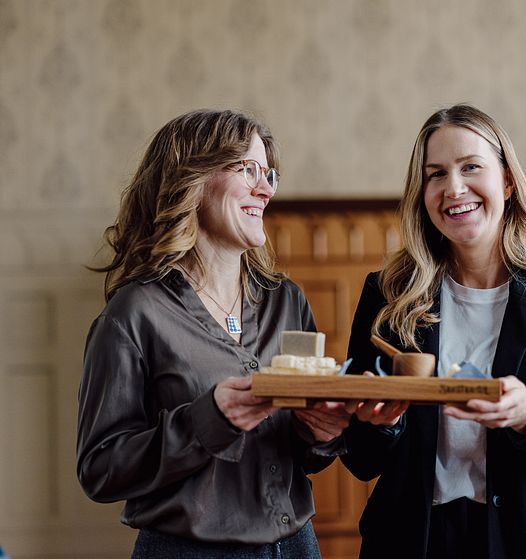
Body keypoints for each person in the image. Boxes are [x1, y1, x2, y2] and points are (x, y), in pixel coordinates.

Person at [342, 104, 526, 559]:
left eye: (471, 167)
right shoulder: (388, 293)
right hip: (412, 540)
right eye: (436, 174)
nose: (453, 188)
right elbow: (360, 457)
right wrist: (383, 425)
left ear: (507, 181)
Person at [76, 109, 352, 559]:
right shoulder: (134, 314)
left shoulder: (288, 302)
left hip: (298, 547)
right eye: (248, 170)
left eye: (269, 174)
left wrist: (321, 434)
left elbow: (299, 451)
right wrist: (208, 422)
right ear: (190, 179)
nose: (265, 189)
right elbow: (101, 469)